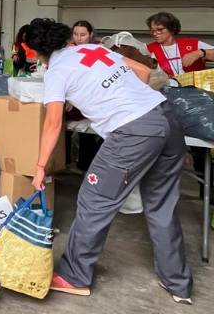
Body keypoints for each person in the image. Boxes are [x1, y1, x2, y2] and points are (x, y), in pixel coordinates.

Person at [27, 18, 192, 304]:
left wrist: (40, 166)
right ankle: (177, 283)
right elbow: (143, 72)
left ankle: (75, 276)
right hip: (164, 116)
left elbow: (53, 123)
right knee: (161, 205)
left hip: (133, 133)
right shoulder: (95, 50)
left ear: (37, 52)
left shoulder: (57, 71)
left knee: (94, 201)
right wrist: (124, 99)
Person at [146, 11, 211, 76]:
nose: (154, 33)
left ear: (172, 28)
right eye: (152, 30)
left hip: (196, 85)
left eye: (159, 29)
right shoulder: (148, 49)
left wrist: (200, 53)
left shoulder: (193, 44)